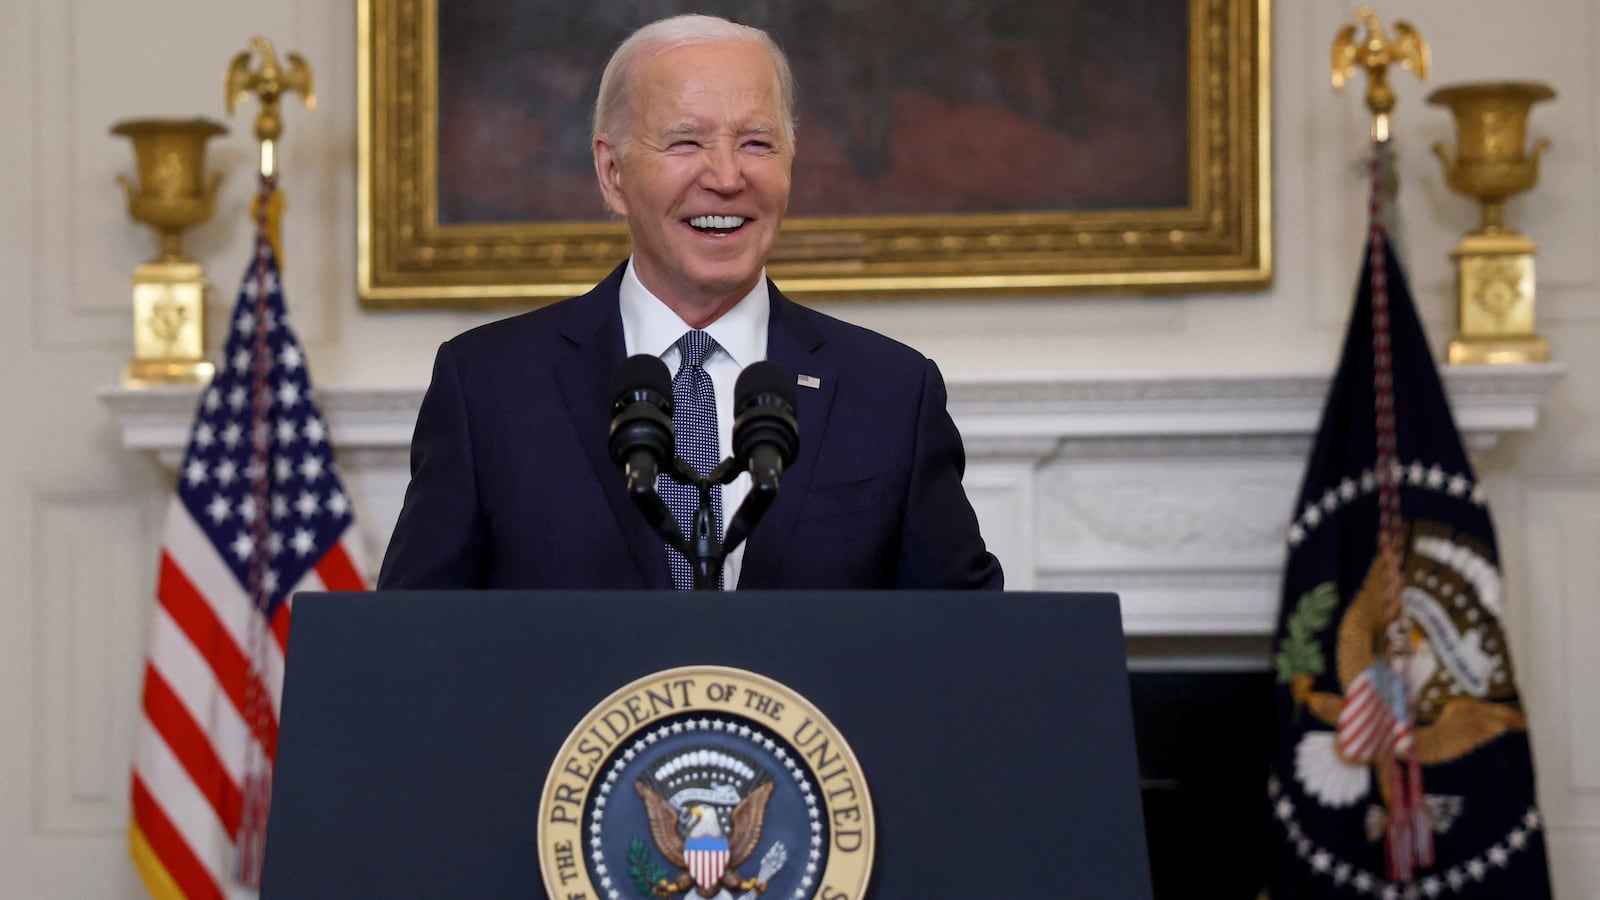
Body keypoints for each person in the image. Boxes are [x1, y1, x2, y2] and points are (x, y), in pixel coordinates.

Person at [378, 14, 1001, 591]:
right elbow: (415, 647)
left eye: (757, 143)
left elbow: (971, 647)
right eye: (685, 144)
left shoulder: (891, 391)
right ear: (612, 173)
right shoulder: (487, 386)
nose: (727, 177)